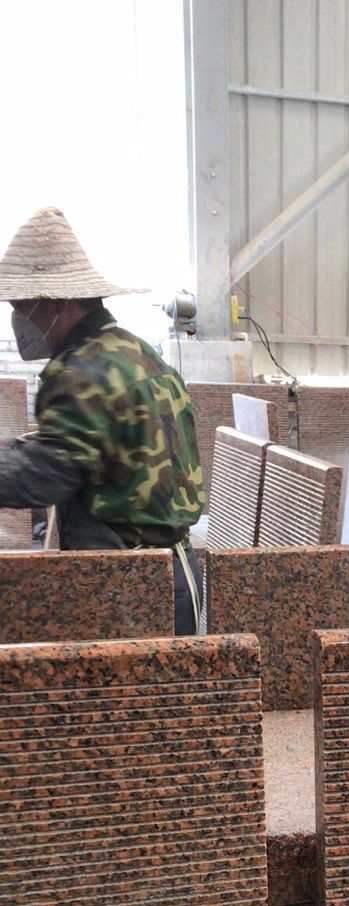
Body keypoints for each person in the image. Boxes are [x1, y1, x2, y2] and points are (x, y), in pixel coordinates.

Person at [0, 207, 204, 633]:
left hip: (127, 588)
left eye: (23, 306)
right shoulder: (135, 351)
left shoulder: (78, 371)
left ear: (59, 303)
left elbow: (45, 476)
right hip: (176, 572)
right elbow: (97, 450)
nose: (18, 319)